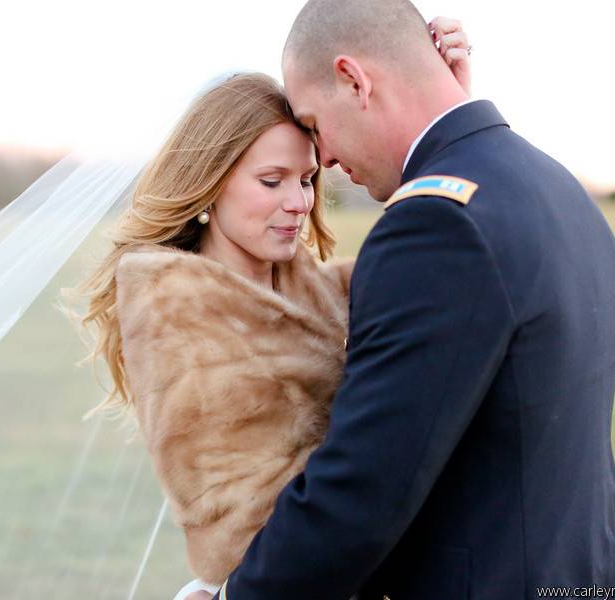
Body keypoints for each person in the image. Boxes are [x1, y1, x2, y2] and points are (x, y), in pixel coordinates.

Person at [190, 2, 615, 600]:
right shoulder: (549, 183)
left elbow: (363, 490)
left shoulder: (435, 226)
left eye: (317, 125)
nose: (322, 159)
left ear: (354, 79)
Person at [73, 18, 473, 600]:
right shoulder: (172, 307)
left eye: (307, 179)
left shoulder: (316, 283)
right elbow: (241, 524)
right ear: (210, 184)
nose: (297, 202)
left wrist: (447, 112)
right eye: (271, 180)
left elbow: (438, 252)